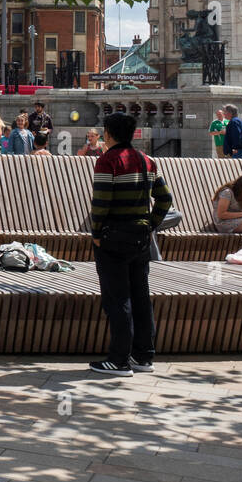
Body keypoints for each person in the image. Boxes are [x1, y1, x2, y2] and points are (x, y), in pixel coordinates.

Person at [88, 111, 171, 377]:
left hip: (113, 237)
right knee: (140, 295)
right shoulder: (147, 160)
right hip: (140, 238)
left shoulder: (107, 161)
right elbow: (165, 199)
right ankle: (143, 356)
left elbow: (101, 202)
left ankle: (119, 359)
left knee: (117, 298)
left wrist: (96, 233)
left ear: (109, 134)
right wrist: (150, 224)